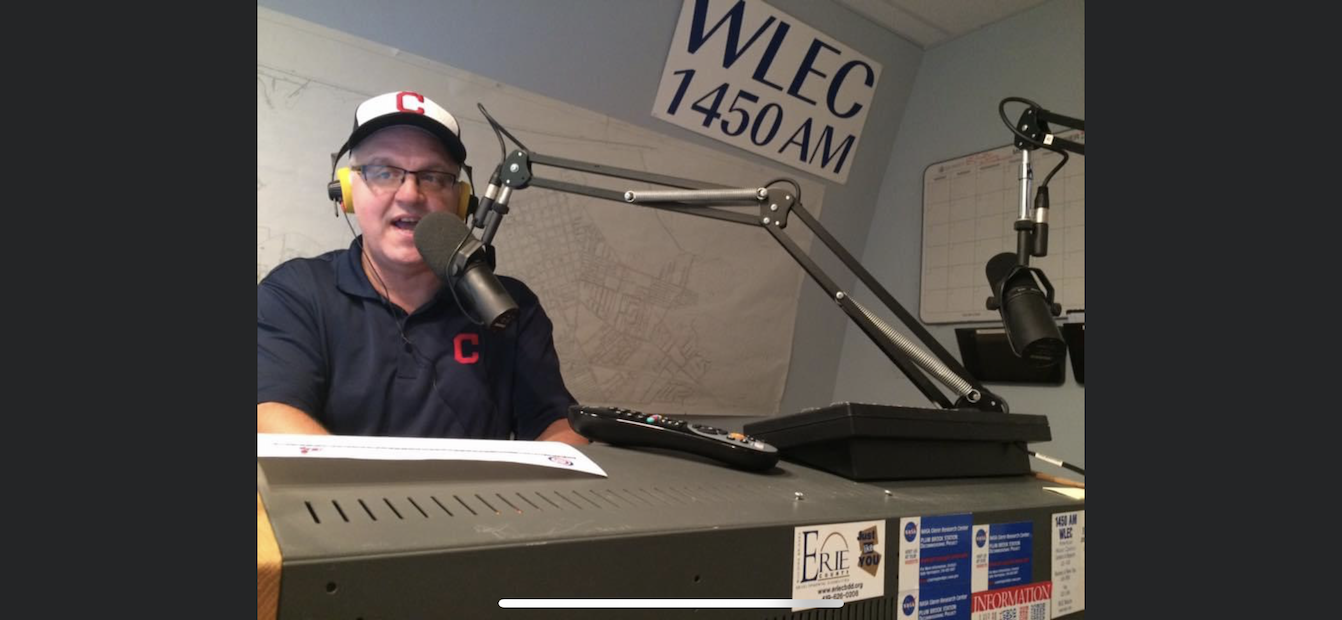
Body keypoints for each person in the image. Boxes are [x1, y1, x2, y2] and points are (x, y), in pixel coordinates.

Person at [257, 90, 586, 445]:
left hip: (485, 503)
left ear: (461, 201)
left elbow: (558, 425)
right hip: (339, 501)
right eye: (383, 172)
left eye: (433, 176)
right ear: (348, 192)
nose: (410, 194)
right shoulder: (297, 292)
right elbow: (270, 413)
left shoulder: (510, 306)